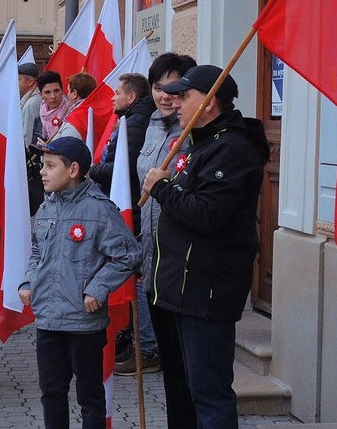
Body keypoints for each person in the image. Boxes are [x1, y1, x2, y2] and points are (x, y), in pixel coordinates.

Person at [142, 65, 269, 428]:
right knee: (181, 390)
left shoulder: (233, 148)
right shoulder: (199, 143)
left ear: (210, 102)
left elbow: (209, 214)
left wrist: (163, 189)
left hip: (205, 294)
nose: (174, 102)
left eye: (184, 96)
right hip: (175, 290)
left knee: (209, 395)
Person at [19, 136, 141, 429]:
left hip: (83, 322)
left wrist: (98, 288)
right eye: (43, 166)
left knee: (90, 396)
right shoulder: (48, 206)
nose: (42, 172)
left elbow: (128, 254)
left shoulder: (99, 209)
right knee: (51, 392)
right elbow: (38, 250)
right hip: (48, 319)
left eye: (50, 166)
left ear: (73, 170)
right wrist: (29, 281)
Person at [133, 52, 198, 428]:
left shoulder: (194, 133)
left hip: (181, 261)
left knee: (190, 365)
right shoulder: (153, 125)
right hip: (151, 256)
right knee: (170, 361)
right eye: (159, 87)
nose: (166, 96)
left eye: (175, 88)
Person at [85, 73, 160, 375]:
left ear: (131, 97)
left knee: (137, 278)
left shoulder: (136, 121)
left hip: (134, 209)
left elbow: (125, 168)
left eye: (117, 92)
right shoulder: (133, 117)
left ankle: (148, 348)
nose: (112, 98)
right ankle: (135, 339)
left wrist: (93, 170)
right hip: (128, 207)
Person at [35, 70, 70, 141]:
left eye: (56, 91)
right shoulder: (39, 119)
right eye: (47, 92)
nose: (53, 96)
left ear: (62, 91)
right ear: (41, 95)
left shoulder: (71, 113)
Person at [17, 62, 41, 147]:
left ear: (30, 82)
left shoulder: (31, 104)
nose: (16, 84)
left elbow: (27, 133)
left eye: (19, 80)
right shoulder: (28, 101)